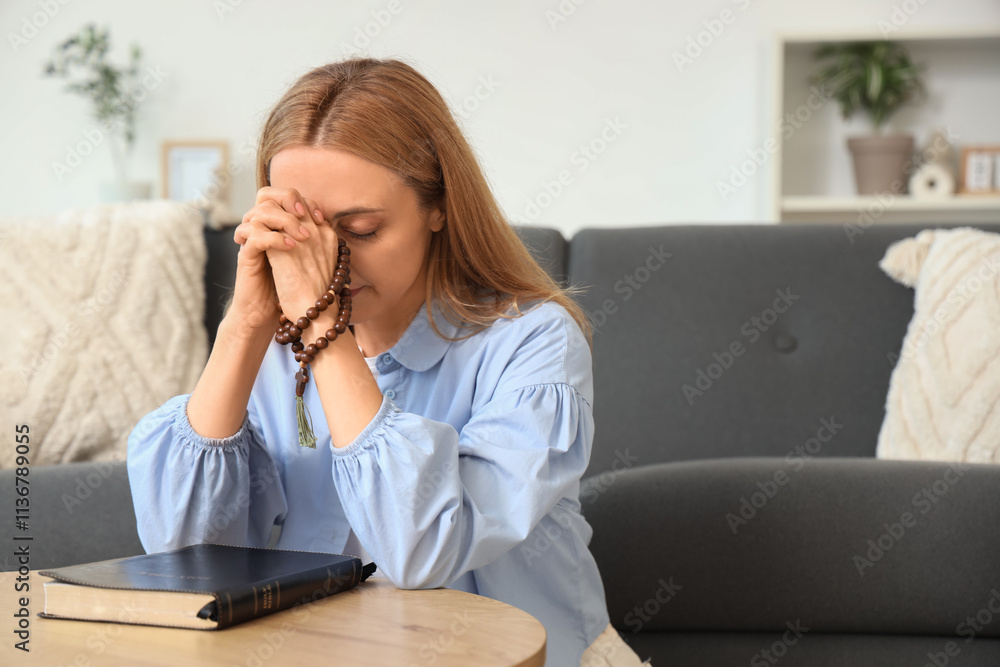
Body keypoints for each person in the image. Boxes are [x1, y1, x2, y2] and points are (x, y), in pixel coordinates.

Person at [126, 57, 651, 667]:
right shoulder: (272, 344)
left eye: (361, 230)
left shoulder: (532, 342)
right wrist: (243, 327)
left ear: (439, 206)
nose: (329, 263)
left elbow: (422, 550)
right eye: (304, 231)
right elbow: (184, 554)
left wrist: (327, 328)